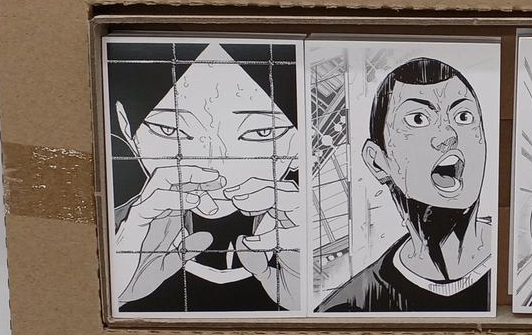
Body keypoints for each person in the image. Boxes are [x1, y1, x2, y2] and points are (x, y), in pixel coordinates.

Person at [108, 40, 301, 313]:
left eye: (261, 132)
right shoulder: (105, 236)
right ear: (127, 128)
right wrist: (113, 293)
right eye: (171, 130)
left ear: (300, 143)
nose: (215, 168)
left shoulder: (327, 238)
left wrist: (321, 298)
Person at [316, 58, 491, 313]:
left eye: (463, 116)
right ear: (378, 162)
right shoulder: (349, 308)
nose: (448, 135)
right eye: (418, 119)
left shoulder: (529, 262)